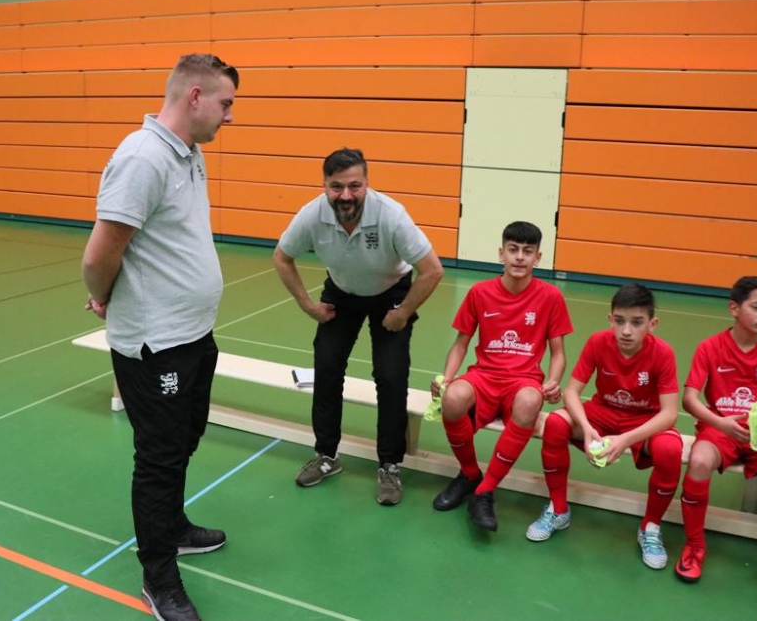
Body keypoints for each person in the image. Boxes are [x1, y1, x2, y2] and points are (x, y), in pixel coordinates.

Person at [81, 53, 238, 621]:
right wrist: (102, 295)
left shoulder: (188, 153)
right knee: (159, 458)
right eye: (225, 104)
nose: (229, 116)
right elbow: (100, 253)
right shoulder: (142, 157)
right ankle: (158, 576)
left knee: (185, 437)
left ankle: (171, 526)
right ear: (195, 96)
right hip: (156, 343)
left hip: (193, 333)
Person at [273, 147, 443, 505]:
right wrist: (307, 305)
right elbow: (282, 257)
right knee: (327, 365)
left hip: (390, 291)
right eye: (336, 187)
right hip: (342, 291)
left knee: (390, 374)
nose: (346, 195)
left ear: (367, 183)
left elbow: (432, 270)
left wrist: (403, 312)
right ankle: (326, 455)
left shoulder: (391, 215)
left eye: (355, 186)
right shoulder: (312, 215)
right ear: (325, 185)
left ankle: (390, 465)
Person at [525, 283, 682, 570]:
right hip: (602, 412)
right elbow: (572, 392)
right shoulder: (598, 342)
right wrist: (586, 428)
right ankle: (558, 509)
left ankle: (650, 527)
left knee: (671, 449)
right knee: (556, 423)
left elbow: (670, 413)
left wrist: (625, 439)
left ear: (652, 324)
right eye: (619, 321)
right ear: (610, 319)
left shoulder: (663, 353)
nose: (626, 331)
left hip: (643, 419)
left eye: (637, 323)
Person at [431, 221, 572, 532]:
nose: (519, 257)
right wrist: (446, 378)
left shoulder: (550, 297)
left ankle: (484, 491)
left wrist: (552, 381)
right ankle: (470, 474)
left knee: (530, 401)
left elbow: (558, 353)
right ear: (501, 253)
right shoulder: (479, 292)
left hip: (523, 380)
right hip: (484, 376)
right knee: (453, 398)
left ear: (538, 257)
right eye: (513, 249)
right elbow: (461, 342)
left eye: (527, 251)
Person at [675, 276, 757, 602]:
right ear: (734, 308)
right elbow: (689, 398)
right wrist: (720, 422)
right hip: (721, 429)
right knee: (699, 461)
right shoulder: (710, 347)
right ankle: (694, 546)